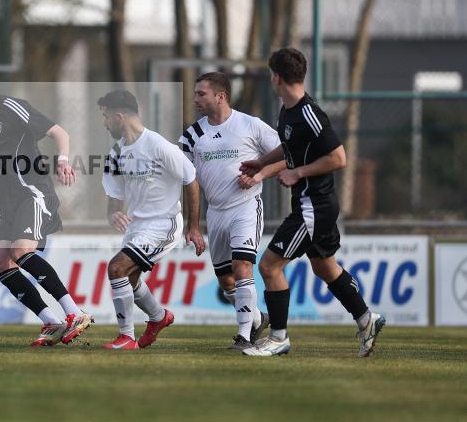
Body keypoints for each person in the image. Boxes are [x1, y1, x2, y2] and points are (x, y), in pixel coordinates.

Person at [240, 48, 385, 357]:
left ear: (277, 77)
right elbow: (289, 147)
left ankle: (278, 337)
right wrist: (261, 164)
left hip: (313, 206)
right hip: (313, 204)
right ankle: (366, 318)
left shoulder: (309, 112)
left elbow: (339, 157)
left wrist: (298, 173)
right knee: (324, 268)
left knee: (269, 266)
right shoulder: (288, 110)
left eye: (271, 75)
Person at [0, 62, 93, 346]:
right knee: (1, 264)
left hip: (33, 192)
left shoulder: (12, 107)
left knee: (21, 250)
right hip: (9, 201)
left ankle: (75, 313)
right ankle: (51, 321)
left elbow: (60, 133)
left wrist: (62, 161)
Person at [179, 72, 286, 350]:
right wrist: (193, 225)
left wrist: (259, 175)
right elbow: (187, 180)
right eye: (195, 93)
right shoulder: (193, 135)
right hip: (215, 213)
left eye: (201, 93)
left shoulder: (250, 125)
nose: (196, 99)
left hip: (246, 207)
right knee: (226, 280)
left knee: (242, 266)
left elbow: (288, 155)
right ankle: (255, 318)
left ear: (220, 96)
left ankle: (245, 336)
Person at [99, 90, 205, 350]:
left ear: (119, 116)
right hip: (137, 226)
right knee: (129, 279)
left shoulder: (158, 146)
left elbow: (190, 179)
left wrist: (193, 226)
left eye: (106, 117)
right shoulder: (115, 153)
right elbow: (114, 195)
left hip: (163, 224)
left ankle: (126, 337)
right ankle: (158, 317)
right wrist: (113, 213)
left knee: (116, 269)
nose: (104, 123)